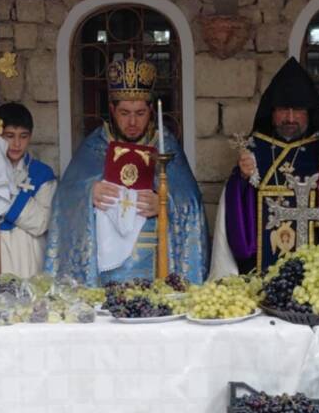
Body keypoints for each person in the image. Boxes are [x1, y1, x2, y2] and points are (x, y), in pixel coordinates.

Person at [45, 53, 208, 285]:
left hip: (155, 264)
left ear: (151, 110)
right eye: (125, 113)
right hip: (103, 271)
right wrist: (88, 192)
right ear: (112, 109)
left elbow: (191, 202)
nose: (132, 123)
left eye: (140, 113)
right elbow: (64, 198)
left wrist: (164, 203)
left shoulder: (165, 146)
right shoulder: (95, 146)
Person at [210, 57, 319, 278]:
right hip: (263, 271)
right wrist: (242, 180)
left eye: (298, 110)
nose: (290, 118)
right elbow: (235, 209)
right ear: (272, 112)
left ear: (309, 112)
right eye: (284, 110)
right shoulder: (257, 148)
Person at [0, 102, 57, 279]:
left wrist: (0, 193)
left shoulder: (41, 174)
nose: (16, 143)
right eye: (9, 136)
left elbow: (41, 223)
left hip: (27, 252)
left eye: (23, 136)